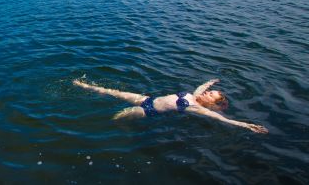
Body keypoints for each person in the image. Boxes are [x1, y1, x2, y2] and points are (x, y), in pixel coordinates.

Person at [73, 78, 268, 134]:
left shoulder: (196, 107)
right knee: (111, 91)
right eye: (209, 92)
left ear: (211, 103)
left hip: (147, 110)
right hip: (145, 99)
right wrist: (209, 83)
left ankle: (121, 129)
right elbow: (200, 87)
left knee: (117, 118)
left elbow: (222, 119)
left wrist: (246, 125)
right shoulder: (196, 95)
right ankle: (83, 84)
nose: (207, 93)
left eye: (211, 95)